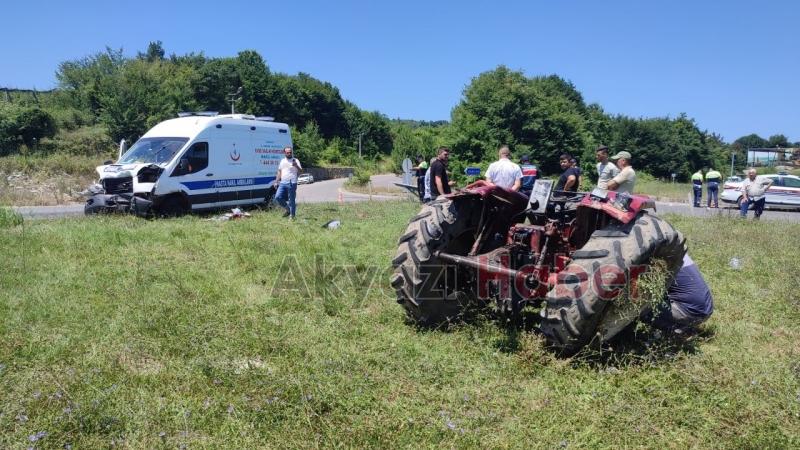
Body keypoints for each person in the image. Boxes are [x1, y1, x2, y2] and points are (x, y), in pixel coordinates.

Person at [653, 254, 714, 332]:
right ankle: (683, 326)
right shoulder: (680, 252)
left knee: (641, 303)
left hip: (690, 311)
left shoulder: (662, 255)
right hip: (707, 309)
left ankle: (676, 332)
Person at [274, 146, 302, 219]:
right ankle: (288, 209)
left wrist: (296, 166)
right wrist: (276, 181)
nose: (289, 153)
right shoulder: (282, 161)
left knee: (291, 200)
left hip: (292, 183)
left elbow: (301, 171)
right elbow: (279, 171)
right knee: (277, 197)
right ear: (284, 153)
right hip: (283, 182)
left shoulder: (295, 160)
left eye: (290, 152)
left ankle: (292, 216)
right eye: (287, 152)